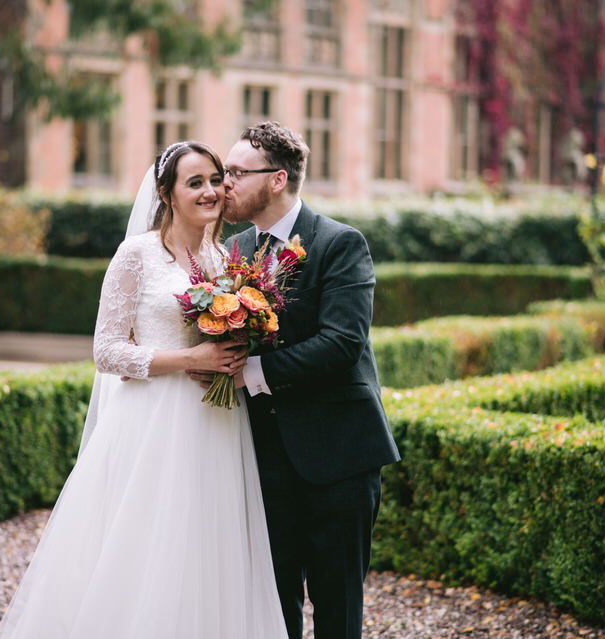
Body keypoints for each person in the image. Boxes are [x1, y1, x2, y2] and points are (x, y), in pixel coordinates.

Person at [0, 141, 288, 639]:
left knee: (207, 547)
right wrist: (189, 359)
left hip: (216, 425)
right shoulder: (137, 255)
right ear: (166, 194)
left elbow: (227, 340)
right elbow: (106, 351)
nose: (211, 191)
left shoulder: (227, 261)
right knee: (149, 544)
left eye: (216, 180)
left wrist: (235, 351)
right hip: (151, 423)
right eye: (195, 183)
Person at [215, 122, 401, 639]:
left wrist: (253, 371)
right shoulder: (233, 252)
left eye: (235, 172)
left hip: (339, 455)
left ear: (277, 179)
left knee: (337, 606)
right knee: (273, 606)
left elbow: (343, 344)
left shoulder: (341, 244)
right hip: (262, 458)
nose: (224, 182)